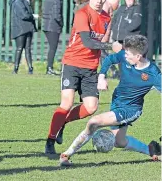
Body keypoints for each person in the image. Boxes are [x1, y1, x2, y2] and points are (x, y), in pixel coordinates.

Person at [45, 0, 122, 154]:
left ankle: (63, 122)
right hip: (72, 63)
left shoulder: (106, 18)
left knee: (91, 107)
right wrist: (112, 46)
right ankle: (50, 141)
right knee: (67, 103)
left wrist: (103, 73)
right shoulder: (82, 13)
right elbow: (88, 42)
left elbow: (101, 46)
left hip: (90, 68)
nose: (99, 1)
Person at [59, 35, 161, 166]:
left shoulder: (153, 74)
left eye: (129, 54)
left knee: (94, 122)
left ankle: (66, 155)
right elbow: (109, 59)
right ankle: (151, 150)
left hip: (130, 110)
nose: (125, 56)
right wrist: (101, 77)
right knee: (120, 141)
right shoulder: (124, 56)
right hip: (116, 103)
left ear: (138, 56)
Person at [9, 0, 38, 74]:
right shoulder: (17, 1)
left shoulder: (24, 0)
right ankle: (16, 68)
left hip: (27, 27)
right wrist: (33, 16)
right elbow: (24, 15)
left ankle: (30, 68)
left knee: (28, 48)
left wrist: (28, 4)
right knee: (20, 48)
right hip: (20, 28)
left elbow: (27, 12)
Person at [42, 0, 63, 75]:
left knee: (51, 47)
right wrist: (61, 24)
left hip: (46, 25)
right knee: (53, 48)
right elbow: (56, 15)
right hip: (53, 27)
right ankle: (49, 68)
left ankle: (49, 67)